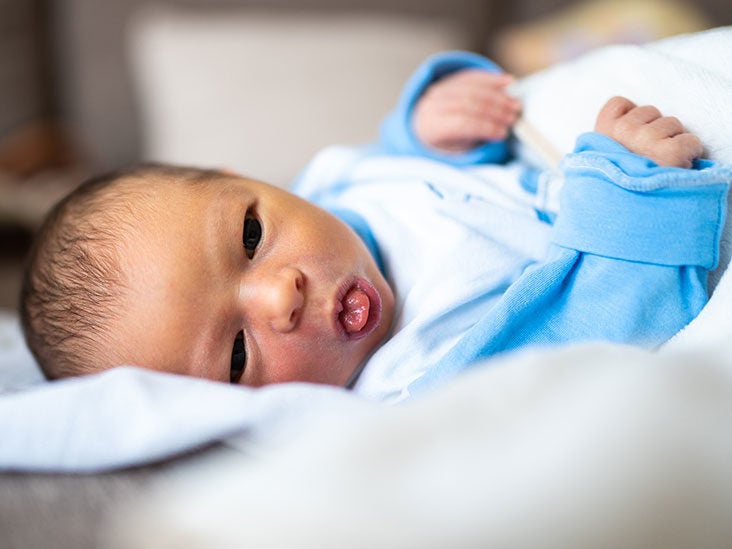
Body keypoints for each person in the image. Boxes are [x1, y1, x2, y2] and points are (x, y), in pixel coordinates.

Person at [20, 51, 730, 403]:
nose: (280, 297)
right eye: (237, 357)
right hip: (636, 208)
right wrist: (632, 193)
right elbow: (592, 334)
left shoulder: (335, 187)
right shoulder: (414, 377)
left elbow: (400, 162)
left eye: (247, 237)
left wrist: (432, 121)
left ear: (255, 182)